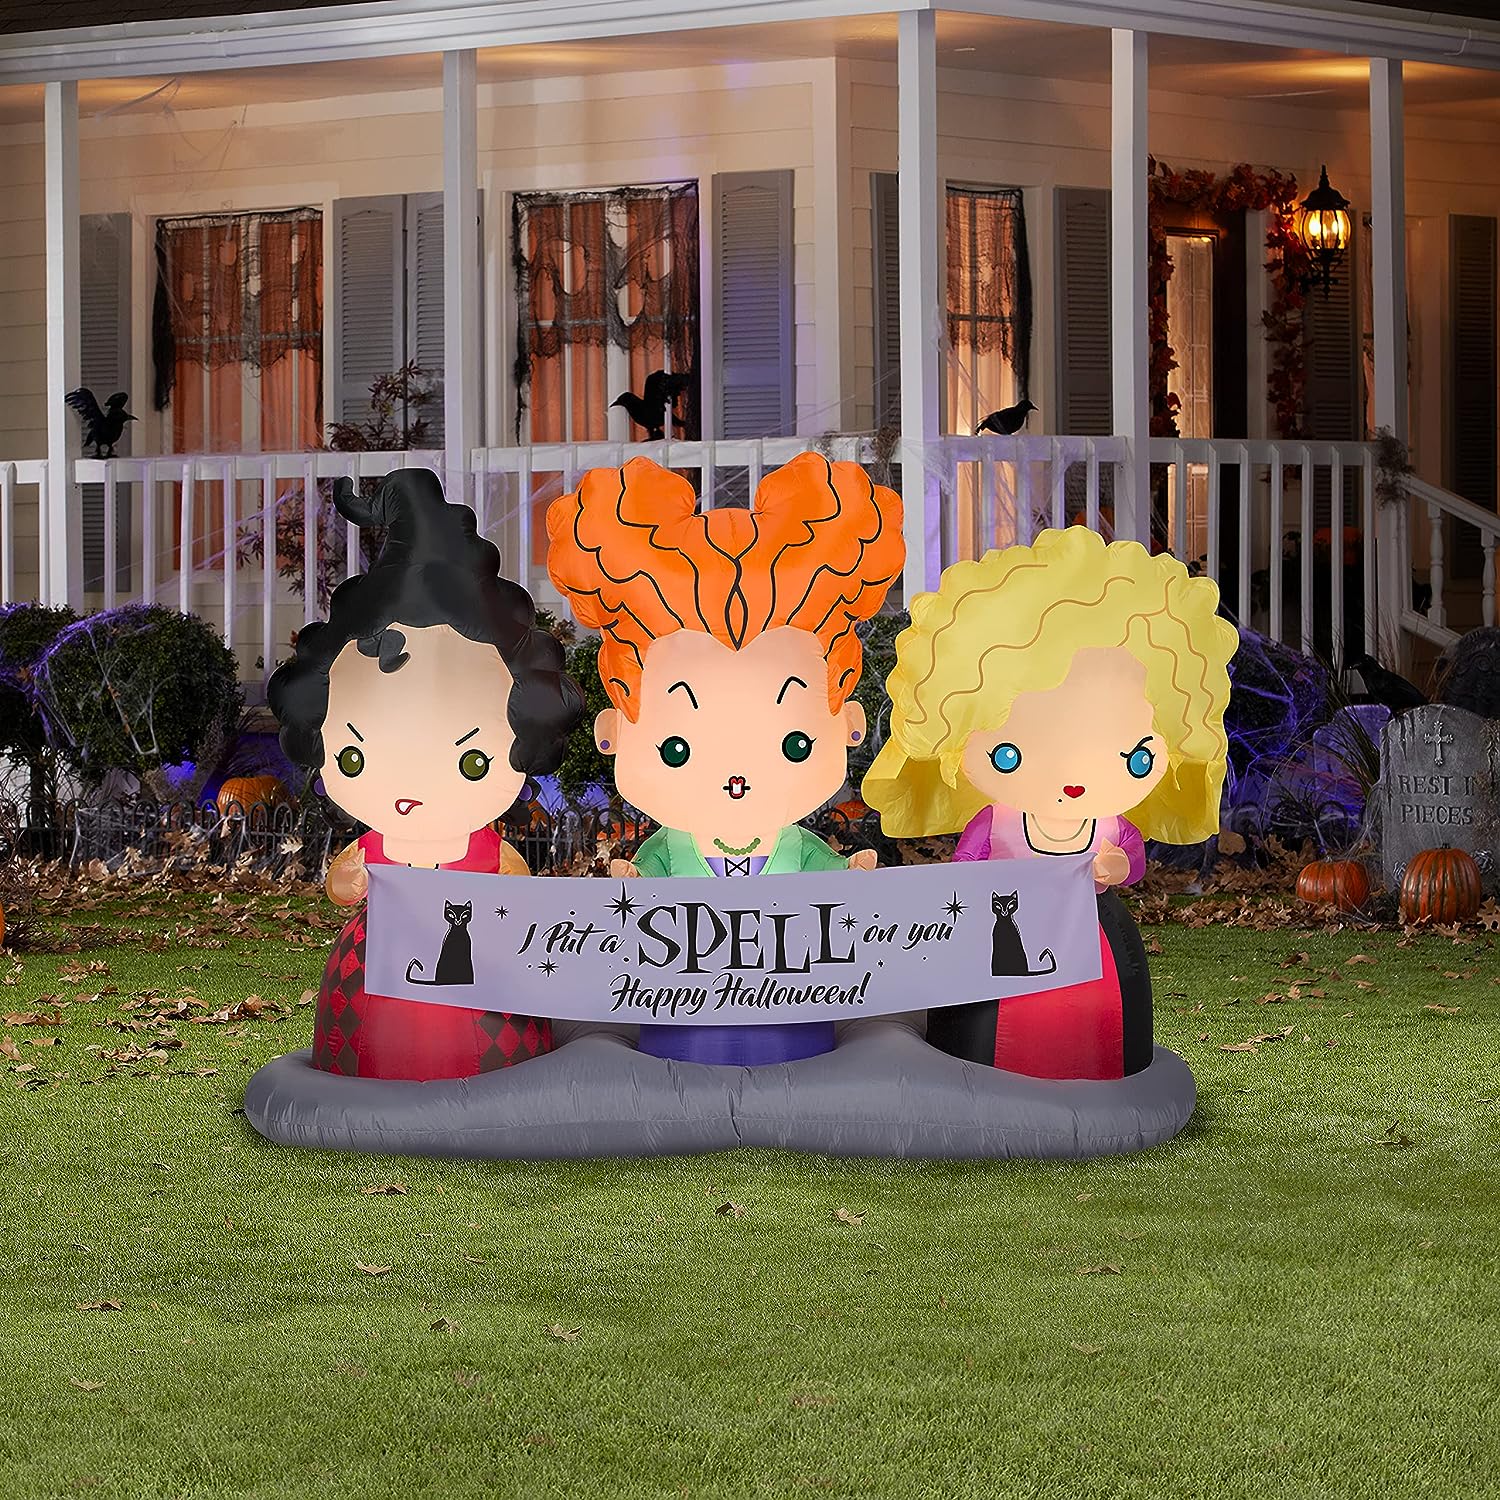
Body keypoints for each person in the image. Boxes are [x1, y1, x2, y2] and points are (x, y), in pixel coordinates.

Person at [546, 452, 904, 1066]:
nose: (737, 777)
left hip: (795, 1020)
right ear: (614, 732)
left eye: (794, 744)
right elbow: (636, 899)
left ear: (847, 724)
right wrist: (632, 886)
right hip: (679, 1024)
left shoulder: (797, 848)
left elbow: (834, 889)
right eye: (677, 750)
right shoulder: (668, 849)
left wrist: (852, 879)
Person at [863, 525, 1237, 1080]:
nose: (1071, 781)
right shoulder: (999, 820)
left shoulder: (1108, 824)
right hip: (1000, 935)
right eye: (1009, 754)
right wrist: (973, 886)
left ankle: (1101, 1062)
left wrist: (1117, 866)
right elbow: (967, 863)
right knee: (990, 1024)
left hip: (1093, 937)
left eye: (1129, 755)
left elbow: (1131, 858)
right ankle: (983, 1063)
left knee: (1101, 1013)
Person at [269, 468, 585, 1080]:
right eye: (356, 756)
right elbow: (341, 887)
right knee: (375, 1036)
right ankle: (367, 1071)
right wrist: (349, 880)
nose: (411, 787)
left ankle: (490, 1076)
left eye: (472, 761)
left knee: (479, 1038)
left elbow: (515, 888)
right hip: (376, 971)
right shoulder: (377, 843)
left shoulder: (483, 847)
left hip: (481, 979)